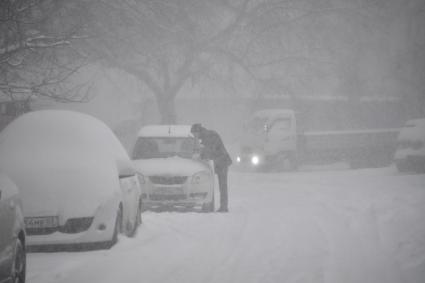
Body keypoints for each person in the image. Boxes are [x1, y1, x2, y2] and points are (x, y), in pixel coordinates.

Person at [191, 123, 232, 212]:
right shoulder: (205, 136)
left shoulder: (210, 136)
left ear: (198, 131)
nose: (195, 137)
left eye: (194, 134)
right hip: (216, 162)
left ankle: (224, 207)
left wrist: (200, 155)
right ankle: (213, 205)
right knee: (211, 184)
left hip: (222, 162)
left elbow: (209, 151)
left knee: (222, 185)